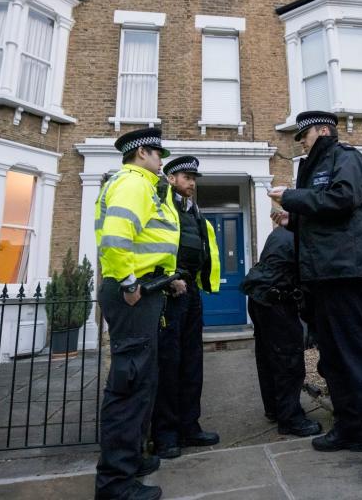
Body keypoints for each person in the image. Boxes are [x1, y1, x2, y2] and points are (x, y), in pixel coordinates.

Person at [268, 111, 362, 485]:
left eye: (304, 136)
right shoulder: (316, 166)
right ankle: (350, 429)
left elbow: (343, 199)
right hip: (320, 276)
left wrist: (292, 198)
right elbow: (326, 216)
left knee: (359, 359)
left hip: (344, 273)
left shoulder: (347, 158)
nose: (302, 142)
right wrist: (294, 221)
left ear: (322, 130)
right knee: (334, 359)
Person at [95, 127, 186, 500]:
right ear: (143, 153)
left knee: (141, 382)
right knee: (130, 386)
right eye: (158, 154)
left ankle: (130, 460)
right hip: (132, 293)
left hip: (147, 291)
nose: (161, 161)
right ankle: (116, 484)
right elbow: (116, 239)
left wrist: (164, 280)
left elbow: (150, 241)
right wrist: (132, 283)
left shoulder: (146, 186)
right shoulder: (133, 182)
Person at [151, 155, 221, 459]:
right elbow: (151, 245)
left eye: (194, 178)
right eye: (186, 177)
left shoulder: (195, 211)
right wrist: (167, 279)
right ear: (171, 178)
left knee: (192, 362)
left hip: (191, 291)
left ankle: (189, 427)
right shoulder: (161, 204)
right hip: (170, 292)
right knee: (169, 363)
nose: (191, 183)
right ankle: (165, 435)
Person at [241, 225, 322, 437]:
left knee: (268, 358)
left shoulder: (279, 232)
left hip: (259, 298)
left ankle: (275, 409)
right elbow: (310, 280)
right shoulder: (302, 236)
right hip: (276, 301)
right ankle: (291, 419)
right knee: (289, 361)